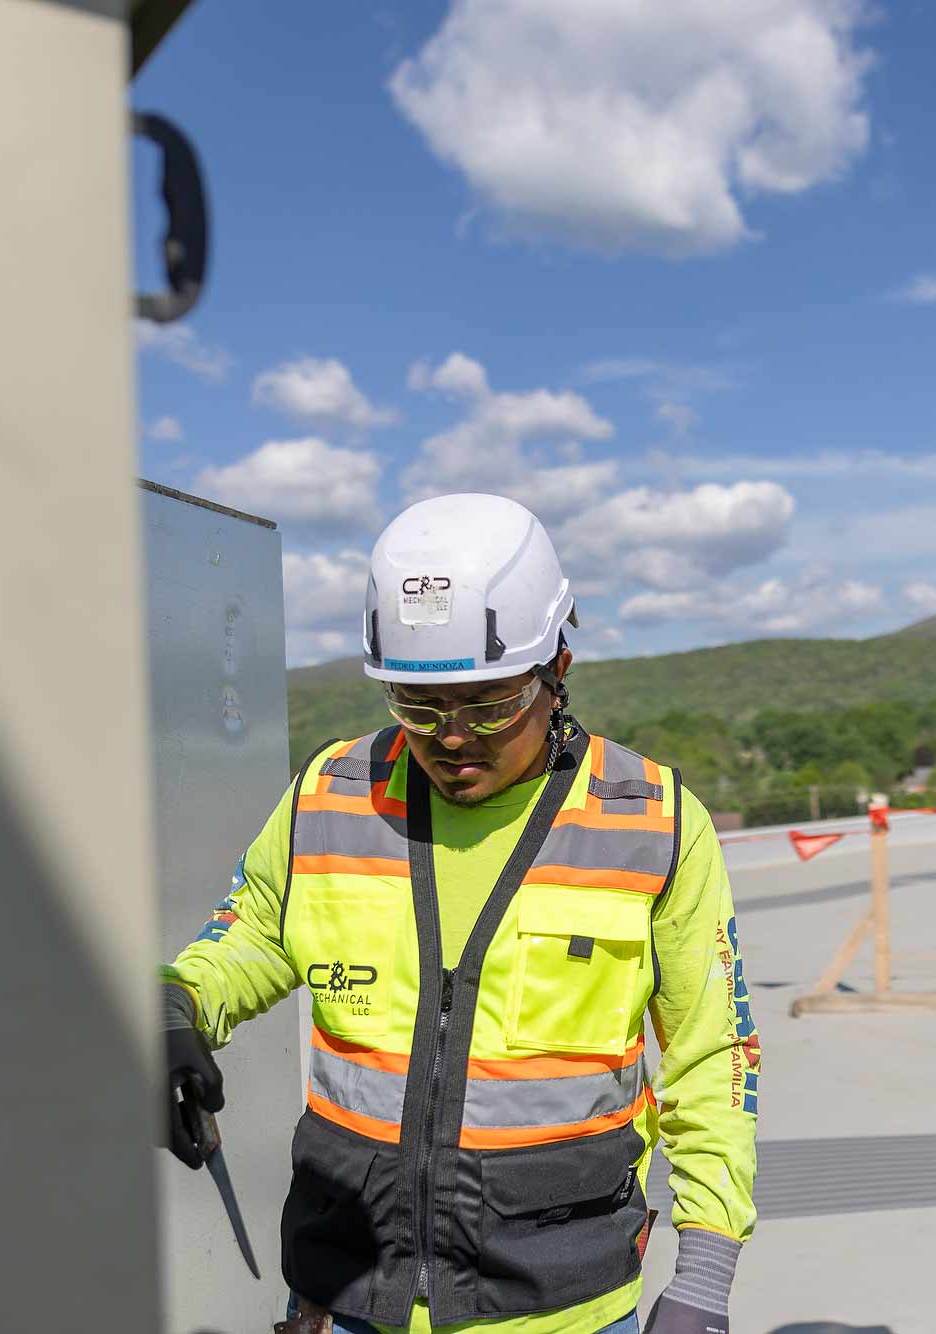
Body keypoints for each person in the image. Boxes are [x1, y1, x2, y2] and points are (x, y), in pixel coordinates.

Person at [160, 494, 759, 1334]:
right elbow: (253, 934)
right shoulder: (330, 797)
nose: (451, 737)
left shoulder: (652, 824)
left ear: (558, 669)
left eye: (488, 704)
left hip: (565, 1309)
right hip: (346, 1295)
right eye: (418, 705)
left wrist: (704, 1279)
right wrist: (176, 1005)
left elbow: (714, 1055)